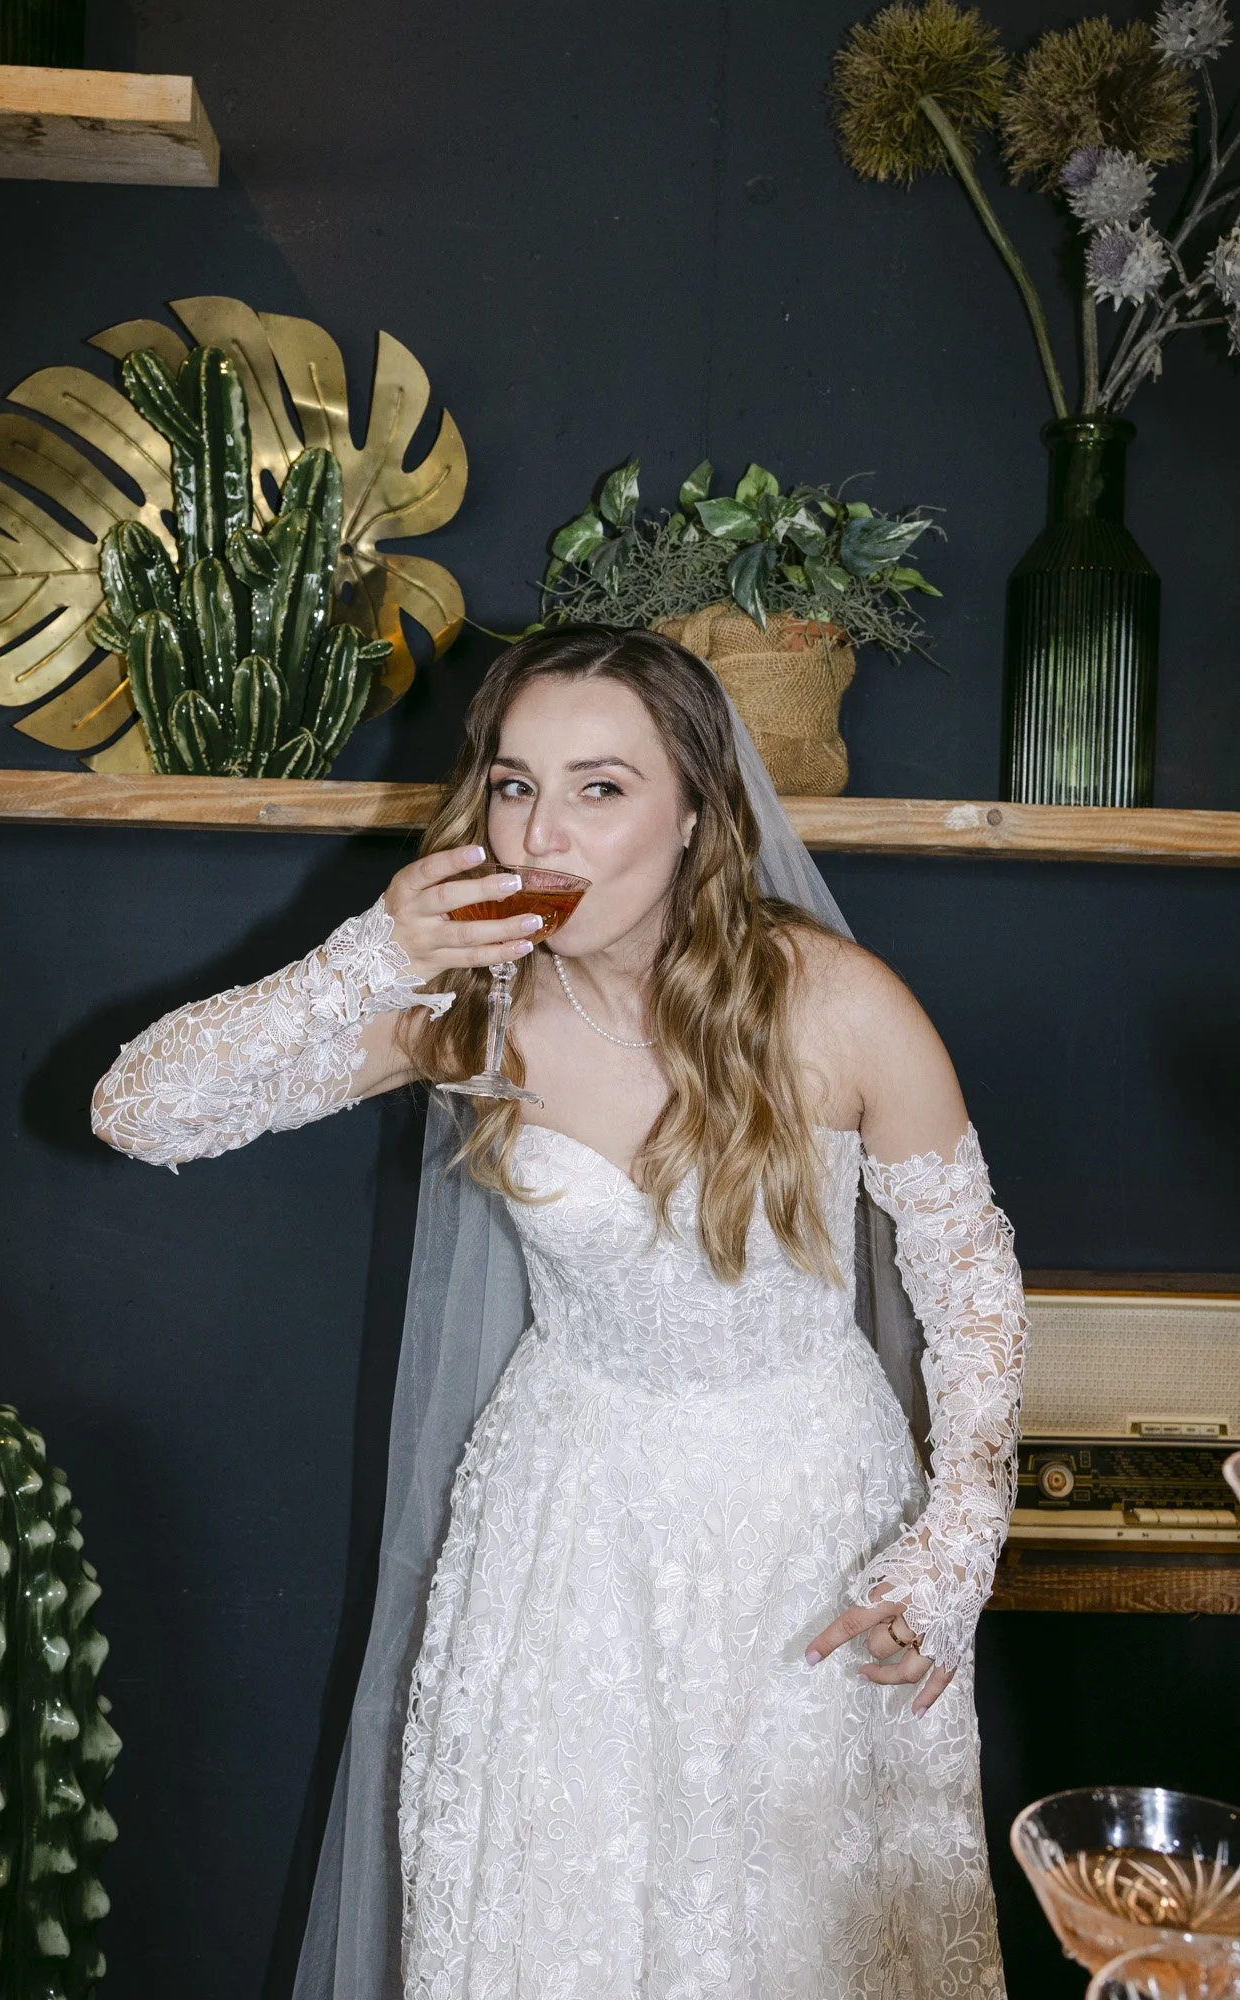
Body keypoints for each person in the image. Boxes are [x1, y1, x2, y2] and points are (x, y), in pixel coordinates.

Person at [91, 626, 1026, 2000]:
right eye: (516, 785)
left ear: (697, 809)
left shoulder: (841, 1005)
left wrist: (956, 1552)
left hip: (809, 1523)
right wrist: (370, 953)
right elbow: (138, 1110)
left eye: (601, 787)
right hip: (566, 1523)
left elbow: (975, 1288)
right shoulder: (467, 1013)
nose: (545, 832)